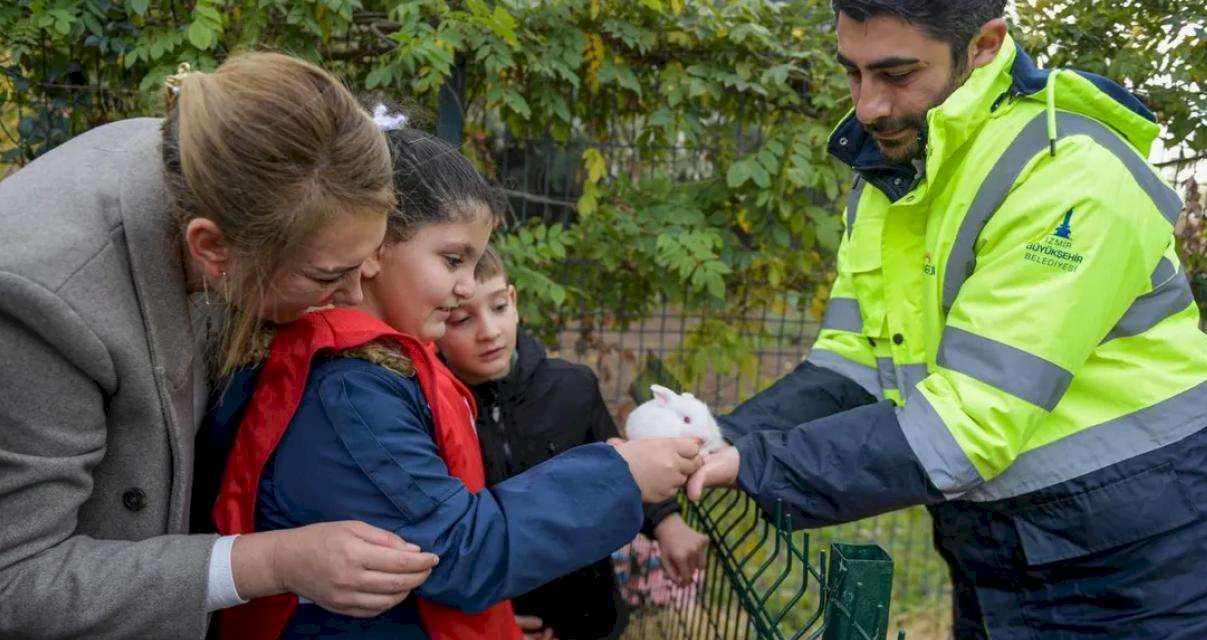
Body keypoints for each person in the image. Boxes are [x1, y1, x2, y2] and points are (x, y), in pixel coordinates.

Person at [682, 2, 1207, 638]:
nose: (867, 108)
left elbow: (969, 424)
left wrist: (758, 466)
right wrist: (717, 435)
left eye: (896, 74)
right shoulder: (897, 176)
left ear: (985, 46)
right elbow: (853, 363)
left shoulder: (1067, 172)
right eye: (852, 73)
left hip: (1157, 567)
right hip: (1005, 554)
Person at [0, 54, 440, 638]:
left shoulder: (214, 165)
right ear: (211, 247)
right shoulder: (45, 304)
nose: (356, 292)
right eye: (326, 274)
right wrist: (274, 561)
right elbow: (18, 581)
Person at [204, 127, 703, 639]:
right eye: (452, 260)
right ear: (376, 245)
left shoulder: (372, 370)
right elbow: (455, 552)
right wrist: (618, 477)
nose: (466, 288)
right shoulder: (349, 392)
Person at [436, 246, 710, 639]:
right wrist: (489, 625)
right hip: (502, 616)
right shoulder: (436, 409)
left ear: (513, 300)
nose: (489, 331)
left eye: (498, 307)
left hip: (589, 615)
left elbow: (623, 461)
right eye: (462, 319)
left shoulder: (572, 388)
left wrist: (668, 522)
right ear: (435, 322)